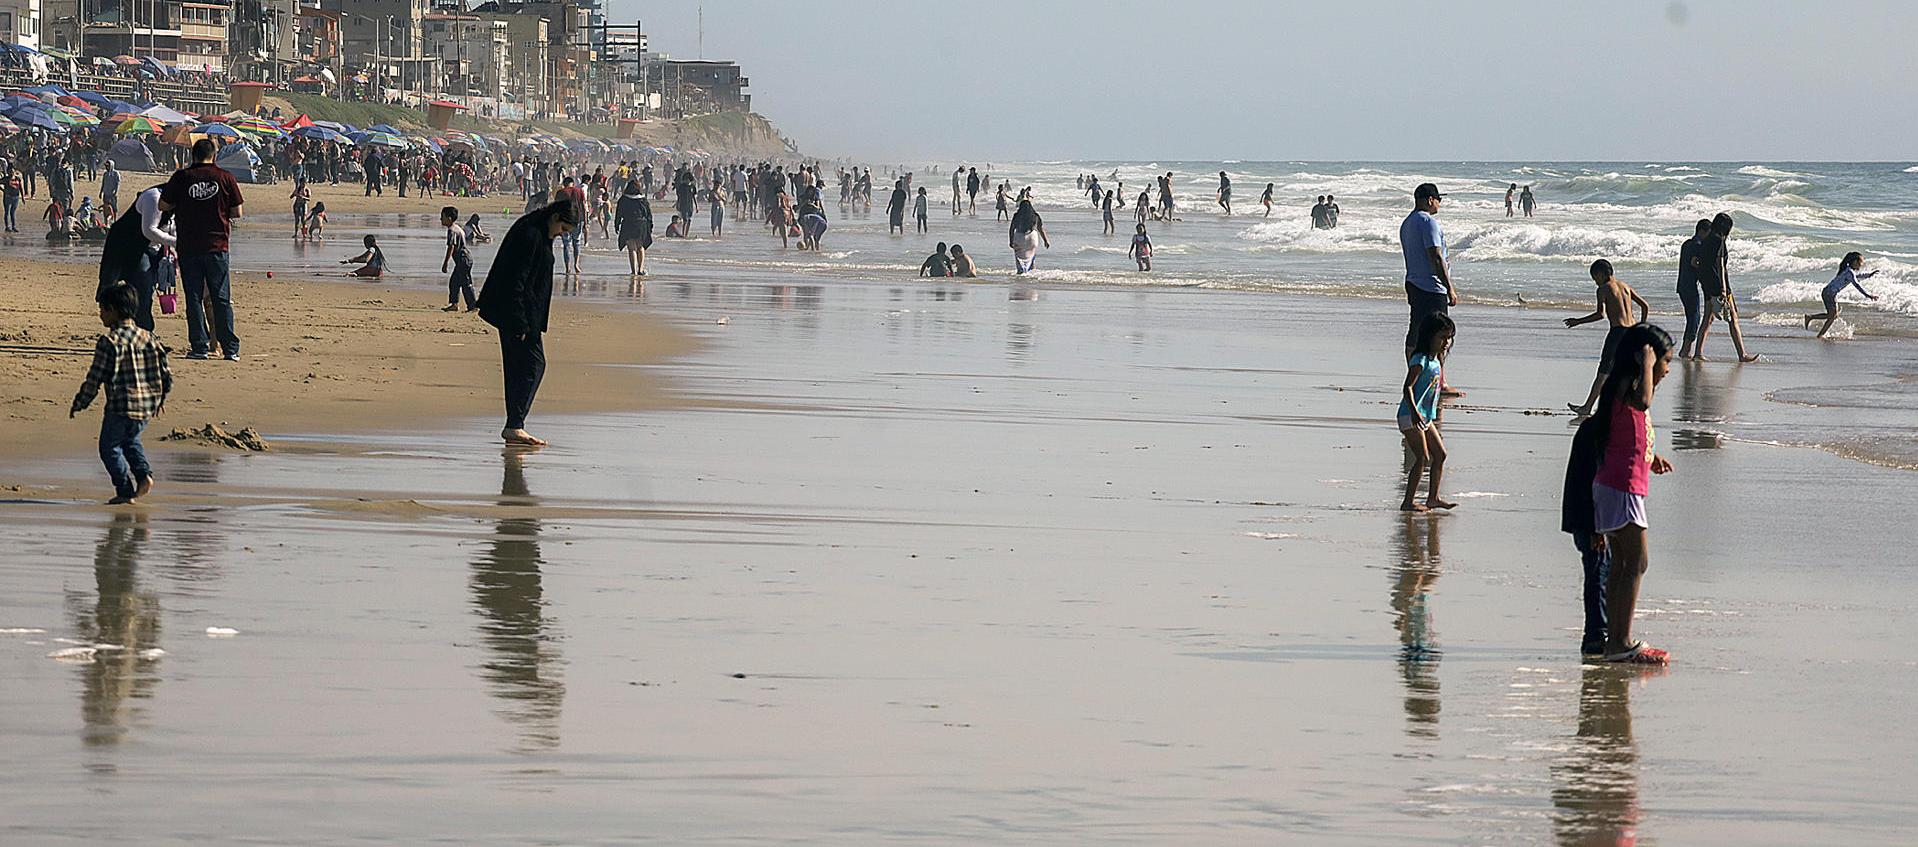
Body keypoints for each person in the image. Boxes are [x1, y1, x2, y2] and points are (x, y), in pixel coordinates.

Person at [1562, 324, 1676, 664]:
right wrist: (1646, 358)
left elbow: (1624, 438)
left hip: (1624, 485)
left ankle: (1615, 641)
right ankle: (1621, 641)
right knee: (1636, 562)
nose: (1667, 370)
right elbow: (1641, 404)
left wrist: (1649, 458)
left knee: (1622, 564)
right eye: (1665, 361)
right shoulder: (1631, 389)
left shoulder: (1620, 393)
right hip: (1622, 488)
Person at [476, 200, 579, 447]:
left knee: (518, 368)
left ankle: (514, 425)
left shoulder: (538, 230)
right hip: (516, 314)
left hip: (520, 313)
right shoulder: (531, 234)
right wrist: (520, 323)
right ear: (555, 217)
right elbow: (516, 280)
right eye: (563, 229)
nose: (562, 235)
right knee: (534, 365)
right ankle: (515, 425)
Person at [70, 284, 171, 505]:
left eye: (103, 310)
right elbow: (165, 371)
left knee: (109, 447)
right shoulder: (149, 338)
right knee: (131, 440)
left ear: (114, 310)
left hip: (120, 405)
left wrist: (80, 402)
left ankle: (124, 488)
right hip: (146, 406)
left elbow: (95, 378)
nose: (100, 315)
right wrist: (161, 397)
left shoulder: (109, 342)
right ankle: (144, 475)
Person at [159, 138, 244, 361]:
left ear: (192, 156)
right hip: (217, 246)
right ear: (214, 155)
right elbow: (237, 212)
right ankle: (230, 348)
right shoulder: (225, 177)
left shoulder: (182, 177)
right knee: (221, 297)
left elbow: (163, 205)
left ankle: (199, 346)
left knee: (194, 297)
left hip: (189, 246)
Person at [1565, 259, 1651, 418]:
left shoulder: (1603, 289)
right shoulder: (1625, 286)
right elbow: (1645, 306)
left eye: (1594, 278)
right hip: (1632, 332)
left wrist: (1577, 321)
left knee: (1604, 372)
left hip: (1617, 333)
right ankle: (1632, 407)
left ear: (1600, 274)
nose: (1595, 282)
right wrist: (1642, 326)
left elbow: (1600, 315)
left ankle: (1587, 407)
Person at [1399, 183, 1460, 396]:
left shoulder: (1407, 223)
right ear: (1430, 200)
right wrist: (1449, 287)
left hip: (1414, 283)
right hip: (1432, 287)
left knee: (1416, 331)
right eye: (1438, 199)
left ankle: (1414, 377)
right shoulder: (1428, 222)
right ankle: (1439, 382)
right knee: (1440, 335)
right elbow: (1435, 256)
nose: (1440, 203)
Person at [96, 183, 175, 332]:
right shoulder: (154, 197)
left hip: (152, 249)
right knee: (142, 290)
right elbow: (149, 231)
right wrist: (178, 243)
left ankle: (140, 332)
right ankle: (143, 332)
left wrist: (173, 251)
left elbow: (172, 230)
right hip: (127, 246)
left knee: (147, 292)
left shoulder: (179, 203)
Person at [1398, 313, 1456, 512]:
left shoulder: (1436, 362)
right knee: (1422, 458)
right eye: (1442, 337)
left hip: (1425, 417)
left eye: (1449, 338)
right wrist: (1415, 413)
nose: (1446, 342)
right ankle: (1408, 502)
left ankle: (1433, 498)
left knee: (1440, 454)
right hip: (1410, 415)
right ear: (1429, 336)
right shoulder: (1420, 359)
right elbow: (1408, 388)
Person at [1691, 212, 1758, 362]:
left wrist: (1705, 283)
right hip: (1720, 286)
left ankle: (1698, 353)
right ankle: (1742, 355)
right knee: (1733, 318)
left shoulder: (1706, 240)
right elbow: (1721, 266)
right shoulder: (1719, 241)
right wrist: (1722, 288)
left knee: (1707, 318)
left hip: (1707, 285)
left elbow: (1697, 263)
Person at [1804, 252, 1878, 338]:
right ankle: (1814, 325)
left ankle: (1816, 328)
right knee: (1832, 315)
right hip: (1829, 293)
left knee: (1833, 315)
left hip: (1828, 292)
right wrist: (1868, 295)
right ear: (1854, 262)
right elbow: (1857, 285)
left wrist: (1869, 275)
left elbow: (1857, 276)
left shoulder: (1848, 271)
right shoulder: (1849, 272)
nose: (1861, 265)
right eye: (1860, 263)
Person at [1673, 219, 1710, 359]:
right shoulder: (1697, 245)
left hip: (1682, 285)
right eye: (1708, 233)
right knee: (1694, 317)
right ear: (1702, 231)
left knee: (1691, 316)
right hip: (1689, 286)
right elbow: (1694, 263)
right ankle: (1685, 350)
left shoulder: (1686, 244)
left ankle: (1685, 349)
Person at [441, 205, 477, 312]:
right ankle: (454, 304)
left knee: (465, 282)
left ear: (449, 219)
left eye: (442, 217)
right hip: (464, 259)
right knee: (454, 282)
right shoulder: (457, 228)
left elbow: (451, 247)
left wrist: (445, 263)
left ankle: (473, 305)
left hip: (463, 259)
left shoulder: (452, 230)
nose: (441, 219)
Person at [614, 179, 653, 277]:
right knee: (640, 247)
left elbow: (619, 213)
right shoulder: (643, 200)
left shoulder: (623, 199)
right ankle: (640, 269)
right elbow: (648, 214)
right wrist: (650, 226)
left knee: (631, 249)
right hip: (641, 224)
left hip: (628, 224)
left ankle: (634, 271)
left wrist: (617, 224)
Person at [1009, 199, 1050, 274]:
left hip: (1019, 237)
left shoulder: (1017, 216)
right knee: (1032, 256)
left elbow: (1012, 229)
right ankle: (1031, 272)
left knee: (1019, 258)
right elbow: (1041, 229)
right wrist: (1046, 241)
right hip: (1032, 238)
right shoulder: (1035, 216)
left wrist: (1011, 241)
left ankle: (1021, 272)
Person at [555, 176, 586, 274]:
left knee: (566, 244)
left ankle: (567, 267)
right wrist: (585, 222)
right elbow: (584, 206)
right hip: (578, 219)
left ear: (564, 184)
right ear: (573, 183)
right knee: (576, 242)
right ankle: (576, 265)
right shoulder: (579, 191)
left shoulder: (560, 193)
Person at [2, 165, 20, 232]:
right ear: (8, 171)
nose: (11, 172)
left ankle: (13, 226)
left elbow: (20, 186)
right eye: (10, 171)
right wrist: (3, 190)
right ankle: (7, 227)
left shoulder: (17, 178)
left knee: (13, 212)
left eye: (12, 171)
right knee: (7, 212)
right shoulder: (6, 179)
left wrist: (23, 196)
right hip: (8, 197)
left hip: (16, 197)